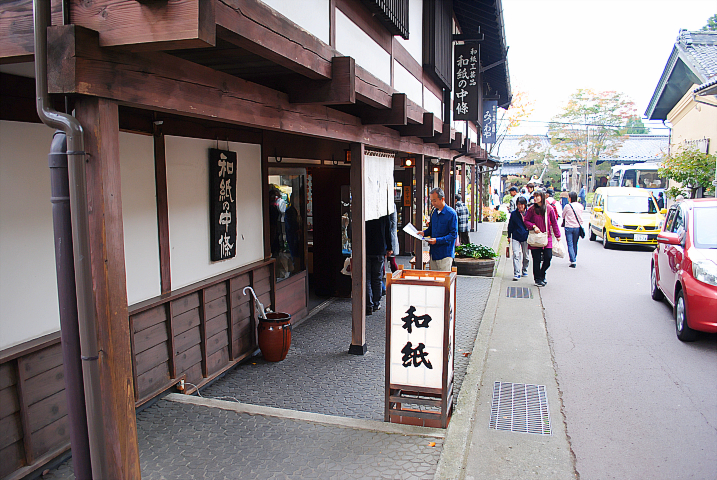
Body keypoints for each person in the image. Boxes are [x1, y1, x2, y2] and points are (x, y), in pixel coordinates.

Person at [523, 189, 561, 287]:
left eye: (537, 196)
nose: (535, 198)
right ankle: (538, 279)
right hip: (535, 237)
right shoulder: (531, 209)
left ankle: (542, 273)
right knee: (536, 259)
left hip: (546, 236)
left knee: (548, 257)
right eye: (534, 196)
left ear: (542, 197)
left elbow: (554, 222)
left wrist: (558, 235)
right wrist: (534, 226)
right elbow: (526, 221)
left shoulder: (549, 209)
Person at [417, 187, 458, 271]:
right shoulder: (434, 212)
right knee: (434, 280)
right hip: (433, 253)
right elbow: (431, 228)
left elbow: (453, 235)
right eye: (431, 200)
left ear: (442, 199)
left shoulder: (451, 214)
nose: (432, 203)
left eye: (434, 200)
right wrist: (424, 233)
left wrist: (437, 240)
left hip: (445, 254)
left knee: (444, 280)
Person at [365, 215, 392, 315]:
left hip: (365, 248)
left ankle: (368, 305)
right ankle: (376, 303)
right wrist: (389, 247)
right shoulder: (383, 212)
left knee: (366, 278)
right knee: (377, 278)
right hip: (379, 249)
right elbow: (388, 231)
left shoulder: (365, 209)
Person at [507, 196, 530, 280]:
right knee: (516, 254)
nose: (520, 206)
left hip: (526, 237)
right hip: (516, 236)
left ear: (525, 205)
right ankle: (517, 273)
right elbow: (510, 225)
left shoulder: (529, 213)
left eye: (522, 204)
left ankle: (525, 269)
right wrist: (509, 236)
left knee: (526, 256)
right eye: (518, 204)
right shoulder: (514, 214)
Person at [562, 191, 584, 268]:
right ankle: (574, 257)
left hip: (568, 227)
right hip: (577, 226)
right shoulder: (580, 206)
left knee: (570, 244)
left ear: (570, 198)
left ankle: (573, 260)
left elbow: (563, 215)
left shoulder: (567, 206)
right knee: (575, 243)